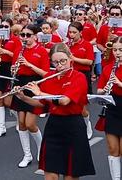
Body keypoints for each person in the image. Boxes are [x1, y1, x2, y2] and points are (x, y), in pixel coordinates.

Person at [18, 43, 95, 180]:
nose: (59, 65)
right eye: (55, 62)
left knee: (70, 175)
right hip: (54, 126)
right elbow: (41, 104)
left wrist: (40, 92)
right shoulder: (50, 77)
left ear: (70, 59)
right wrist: (23, 97)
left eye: (63, 61)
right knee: (50, 174)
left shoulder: (78, 77)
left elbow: (64, 101)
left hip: (73, 126)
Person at [11, 24, 50, 167]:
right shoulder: (18, 50)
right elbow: (15, 70)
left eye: (28, 35)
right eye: (23, 35)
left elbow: (46, 74)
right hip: (21, 84)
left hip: (35, 85)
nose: (25, 38)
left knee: (30, 124)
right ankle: (27, 155)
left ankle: (41, 148)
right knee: (21, 123)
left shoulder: (41, 51)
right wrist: (13, 70)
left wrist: (29, 64)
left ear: (35, 36)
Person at [0, 19, 21, 138]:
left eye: (6, 26)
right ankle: (1, 126)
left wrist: (5, 51)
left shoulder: (15, 40)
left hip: (10, 68)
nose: (3, 28)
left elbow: (18, 55)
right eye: (1, 26)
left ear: (10, 28)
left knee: (8, 101)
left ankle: (19, 119)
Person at [97, 36, 122, 180]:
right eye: (115, 50)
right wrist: (103, 91)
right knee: (113, 149)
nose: (117, 53)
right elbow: (99, 89)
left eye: (120, 50)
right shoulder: (108, 68)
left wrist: (119, 83)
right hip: (112, 108)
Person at [68, 21, 94, 139]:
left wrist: (74, 58)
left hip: (82, 75)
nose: (71, 35)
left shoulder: (87, 45)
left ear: (80, 33)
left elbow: (89, 62)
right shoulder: (67, 45)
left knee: (82, 107)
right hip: (69, 74)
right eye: (70, 32)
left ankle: (87, 125)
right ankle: (74, 129)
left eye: (74, 32)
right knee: (70, 105)